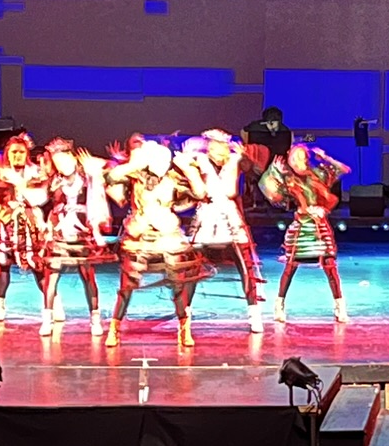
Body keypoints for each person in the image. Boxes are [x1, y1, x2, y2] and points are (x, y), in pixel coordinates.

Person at [102, 137, 210, 350]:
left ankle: (184, 327)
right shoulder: (136, 178)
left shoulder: (171, 179)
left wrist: (189, 170)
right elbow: (113, 176)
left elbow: (200, 193)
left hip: (167, 236)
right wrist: (135, 163)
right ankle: (114, 327)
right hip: (140, 236)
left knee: (177, 283)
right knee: (127, 285)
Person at [259, 142, 352, 324]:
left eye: (302, 157)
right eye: (294, 158)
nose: (298, 161)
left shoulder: (319, 175)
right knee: (291, 266)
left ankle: (340, 306)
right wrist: (274, 171)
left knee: (330, 266)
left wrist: (325, 157)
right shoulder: (289, 180)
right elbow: (272, 194)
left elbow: (343, 170)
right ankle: (279, 305)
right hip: (302, 226)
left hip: (319, 226)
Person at [181, 129, 263, 333]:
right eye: (211, 144)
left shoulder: (235, 159)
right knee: (192, 267)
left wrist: (246, 156)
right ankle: (184, 315)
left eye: (218, 145)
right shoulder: (199, 159)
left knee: (245, 267)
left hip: (229, 216)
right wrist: (185, 157)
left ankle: (254, 313)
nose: (213, 148)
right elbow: (183, 172)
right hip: (207, 216)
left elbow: (255, 169)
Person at [0, 134, 50, 328]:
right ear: (7, 154)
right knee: (2, 263)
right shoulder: (0, 172)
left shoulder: (36, 173)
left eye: (21, 152)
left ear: (27, 154)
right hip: (4, 222)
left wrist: (23, 186)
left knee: (37, 264)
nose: (18, 156)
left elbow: (42, 197)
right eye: (13, 152)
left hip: (29, 223)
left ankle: (52, 305)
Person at [39, 138, 109, 337]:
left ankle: (95, 318)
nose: (61, 165)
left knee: (87, 275)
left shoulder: (87, 177)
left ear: (72, 157)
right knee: (51, 275)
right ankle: (47, 318)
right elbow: (48, 205)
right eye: (57, 162)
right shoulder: (54, 181)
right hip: (60, 231)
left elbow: (98, 197)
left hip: (81, 232)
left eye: (64, 160)